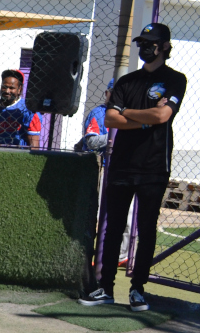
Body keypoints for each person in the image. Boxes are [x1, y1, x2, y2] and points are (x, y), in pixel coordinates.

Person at [79, 23, 186, 313]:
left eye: (151, 43)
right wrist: (142, 118)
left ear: (165, 47)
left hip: (154, 165)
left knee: (146, 229)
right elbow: (111, 119)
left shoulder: (175, 80)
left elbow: (162, 116)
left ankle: (138, 290)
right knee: (112, 227)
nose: (145, 48)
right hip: (122, 164)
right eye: (142, 43)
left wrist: (128, 113)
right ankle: (106, 288)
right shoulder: (126, 82)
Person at [76, 78, 114, 153]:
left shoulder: (126, 113)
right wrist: (116, 137)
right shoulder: (98, 113)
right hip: (100, 158)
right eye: (113, 92)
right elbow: (92, 142)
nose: (117, 96)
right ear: (106, 93)